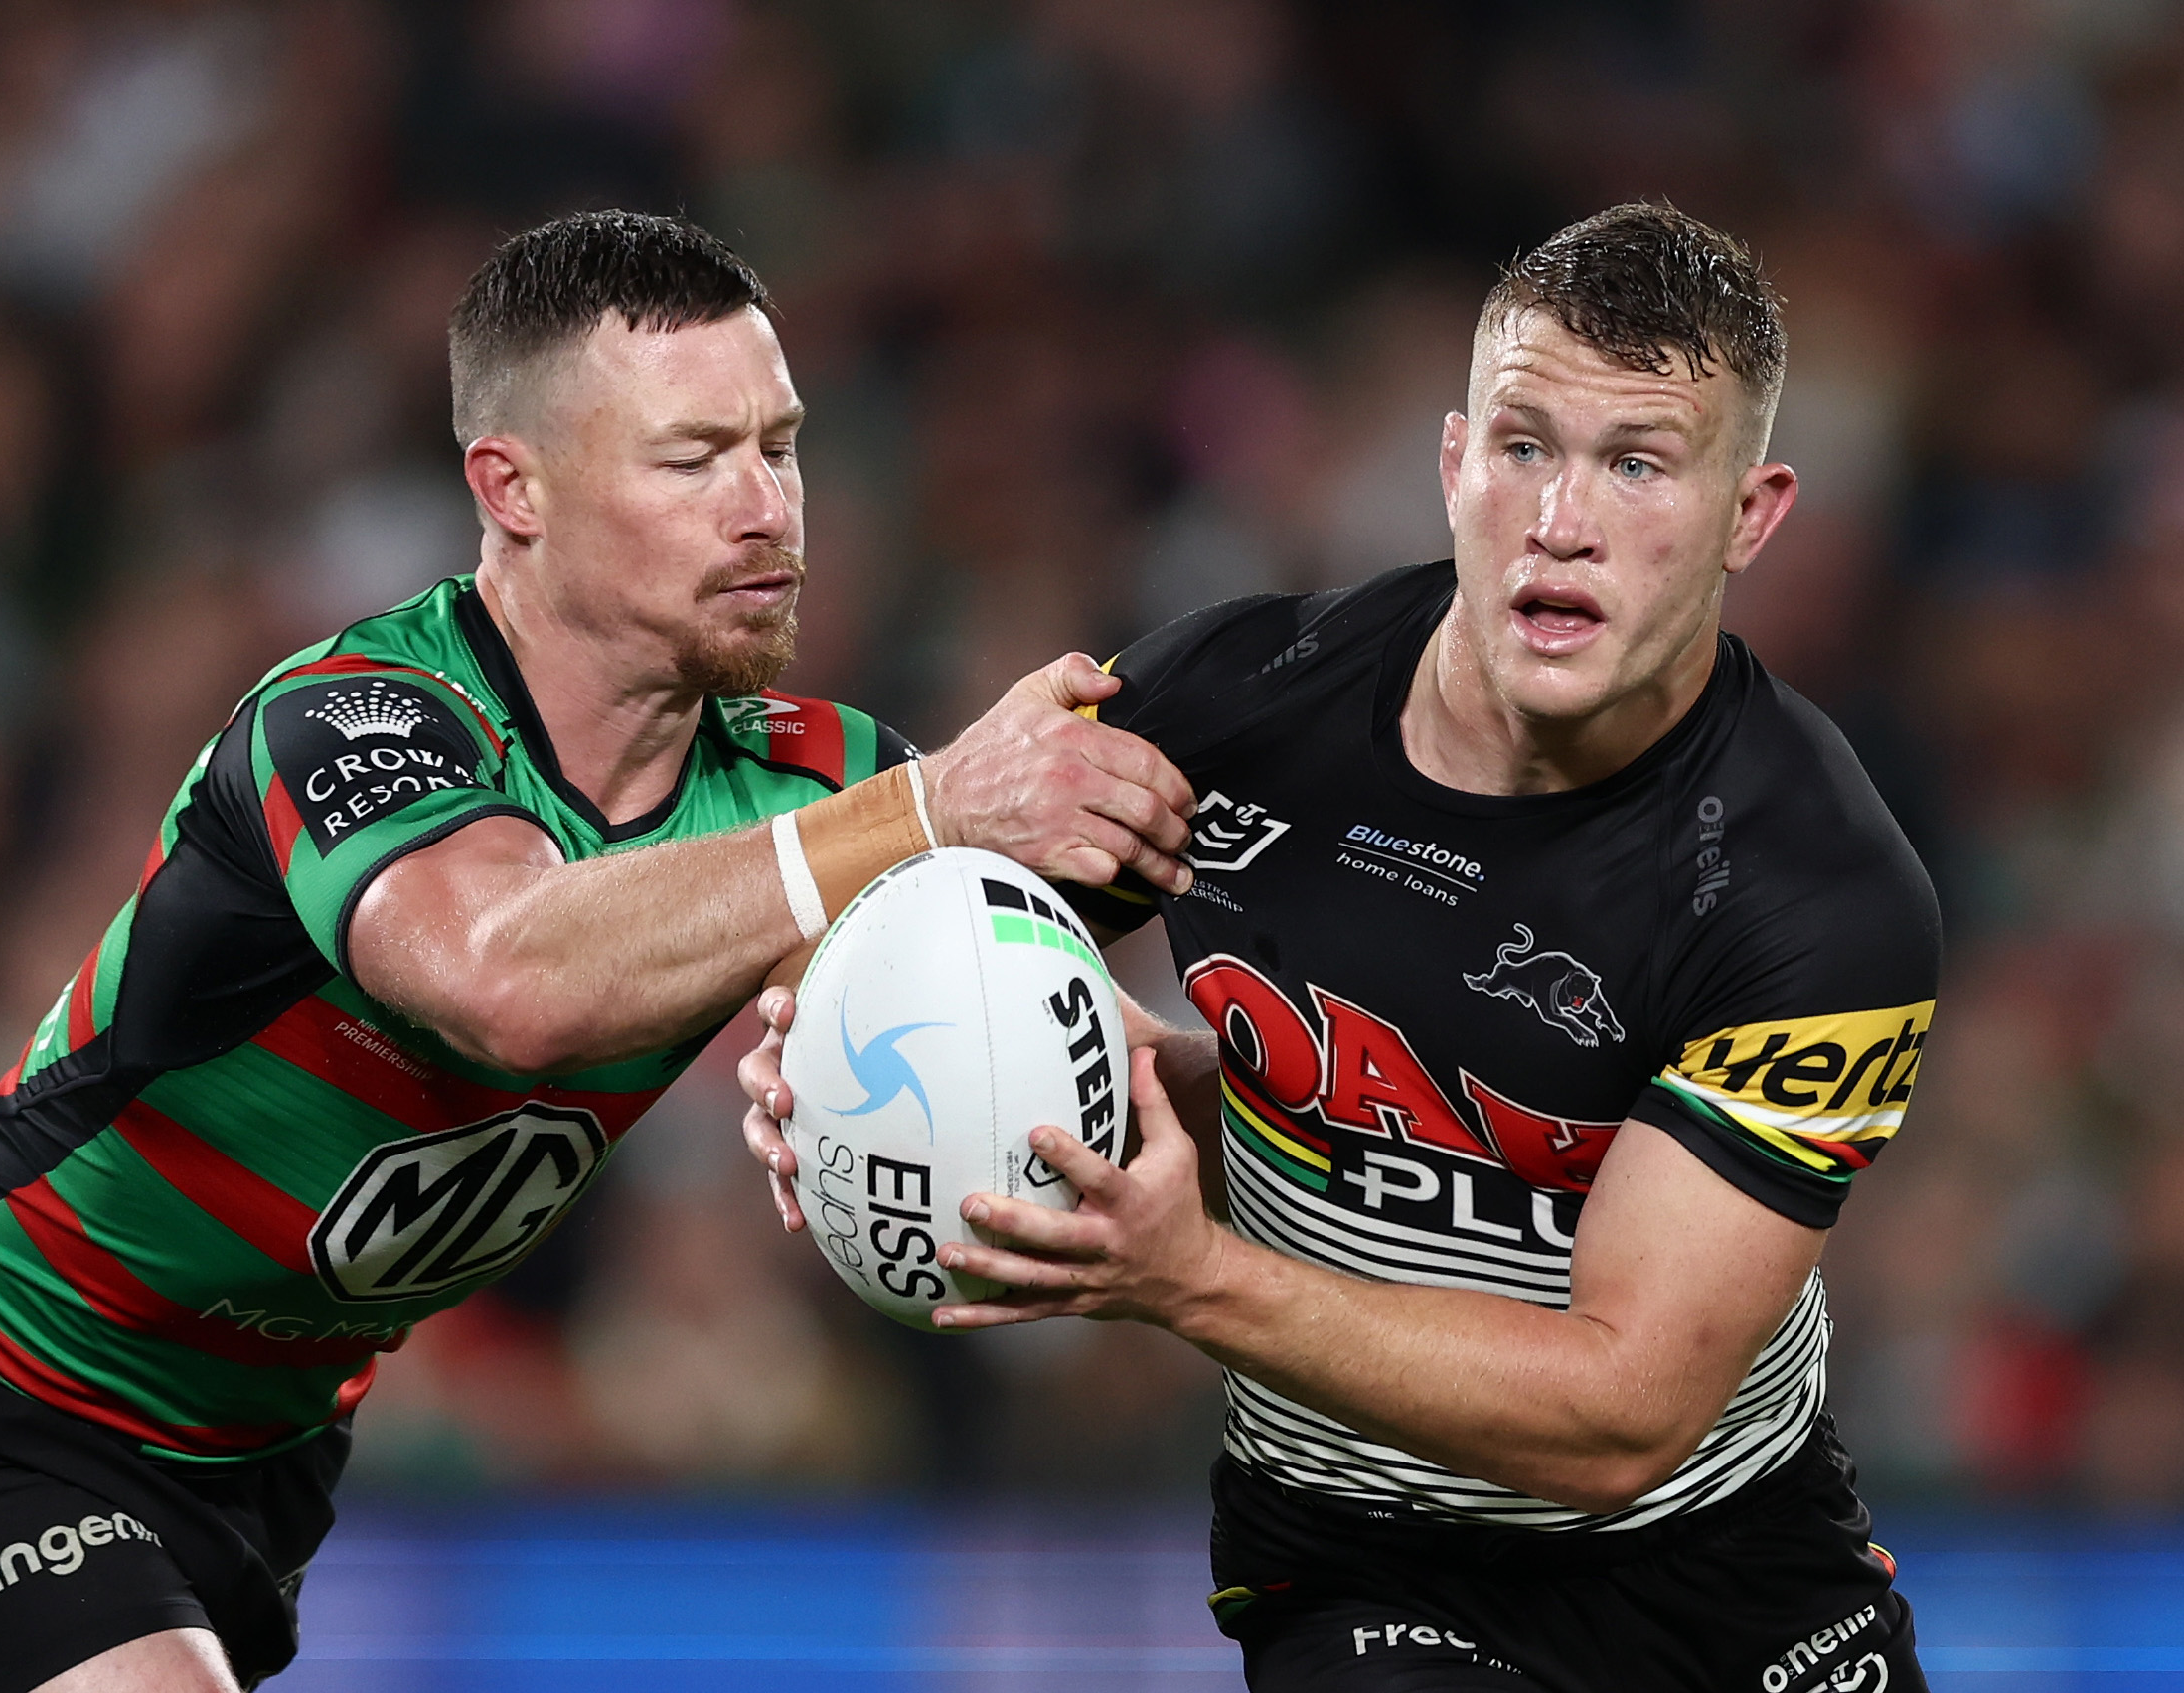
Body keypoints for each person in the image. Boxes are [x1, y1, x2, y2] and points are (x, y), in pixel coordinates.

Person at [0, 211, 1193, 1693]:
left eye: (785, 445)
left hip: (261, 1467)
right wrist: (940, 802)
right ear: (514, 489)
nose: (768, 508)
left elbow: (1080, 1054)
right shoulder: (352, 720)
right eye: (694, 460)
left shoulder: (819, 785)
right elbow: (510, 977)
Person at [743, 202, 1941, 1691]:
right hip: (1361, 1555)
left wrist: (1187, 1275)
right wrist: (837, 1057)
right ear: (1450, 466)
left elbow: (1624, 1417)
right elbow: (921, 939)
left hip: (1731, 1572)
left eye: (1636, 462)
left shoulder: (1815, 894)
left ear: (1749, 516)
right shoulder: (1223, 711)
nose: (1560, 518)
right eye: (1522, 445)